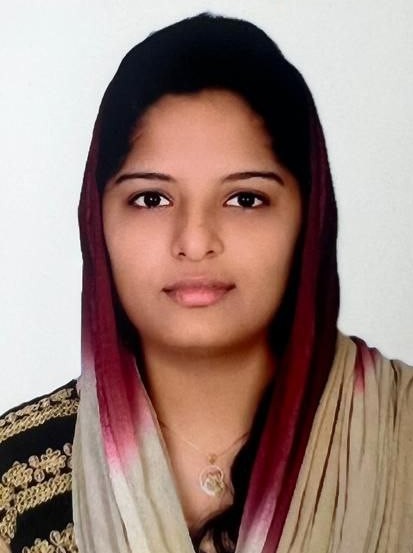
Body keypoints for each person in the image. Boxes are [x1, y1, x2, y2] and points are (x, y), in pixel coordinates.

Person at [0, 12, 412, 553]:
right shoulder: (12, 482)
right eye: (151, 199)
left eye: (245, 199)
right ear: (97, 221)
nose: (195, 242)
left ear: (309, 218)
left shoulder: (400, 437)